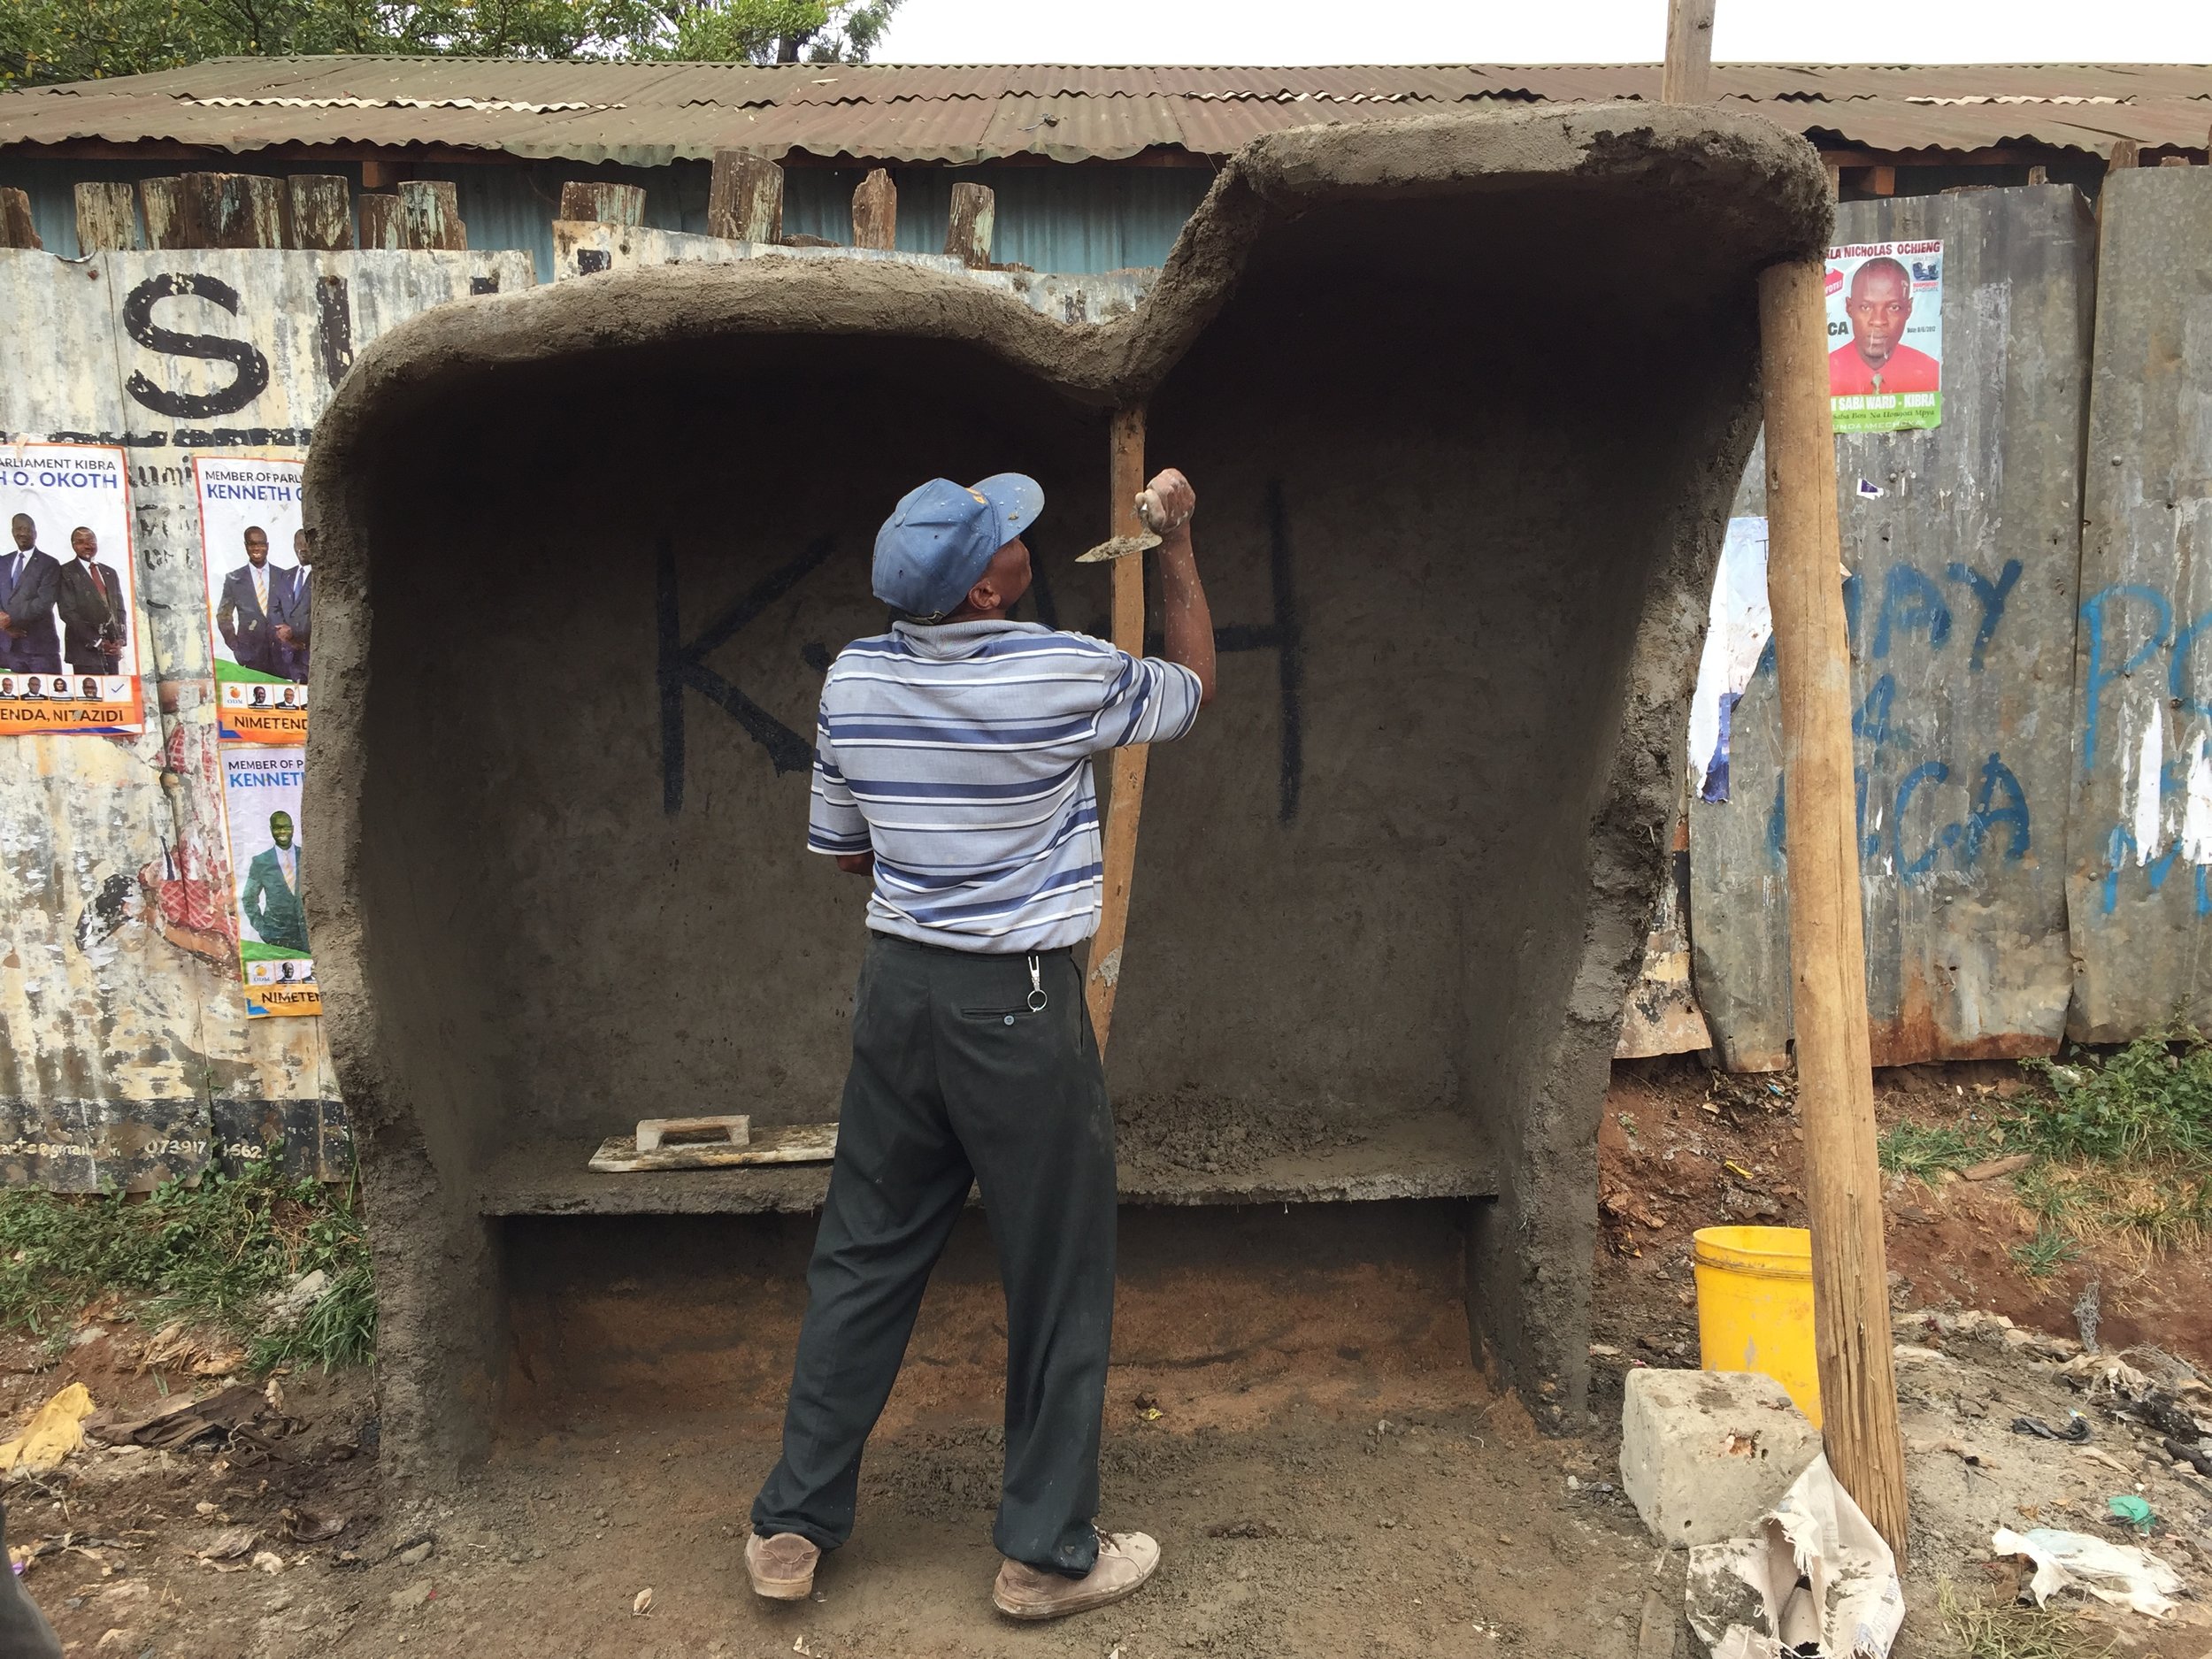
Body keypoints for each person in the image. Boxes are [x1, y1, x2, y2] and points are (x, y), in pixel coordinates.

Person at [745, 469, 1215, 1623]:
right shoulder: (1056, 669)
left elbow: (846, 851)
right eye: (1009, 541)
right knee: (1056, 1275)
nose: (1024, 545)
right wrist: (1182, 542)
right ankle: (1043, 1554)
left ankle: (790, 1524)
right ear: (983, 591)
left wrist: (934, 853)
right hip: (1020, 1004)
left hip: (900, 995)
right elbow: (1195, 682)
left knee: (863, 1253)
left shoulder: (854, 676)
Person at [1829, 256, 1940, 396]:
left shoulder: (1930, 371)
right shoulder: (1823, 373)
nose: (1878, 321)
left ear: (1909, 309)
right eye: (1865, 307)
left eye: (1893, 307)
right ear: (1849, 307)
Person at [216, 526, 292, 675]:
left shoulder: (284, 576)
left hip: (283, 658)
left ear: (267, 546)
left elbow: (294, 613)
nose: (257, 548)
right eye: (252, 544)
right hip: (251, 658)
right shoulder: (234, 579)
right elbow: (223, 616)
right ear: (246, 546)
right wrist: (237, 647)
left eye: (261, 544)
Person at [55, 527, 126, 675]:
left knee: (114, 694)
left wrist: (120, 641)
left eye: (91, 541)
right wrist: (98, 642)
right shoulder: (65, 572)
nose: (87, 545)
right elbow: (68, 613)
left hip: (112, 650)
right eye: (81, 542)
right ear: (74, 545)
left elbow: (120, 610)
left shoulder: (109, 572)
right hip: (85, 652)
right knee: (89, 696)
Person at [0, 513, 63, 675]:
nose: (23, 533)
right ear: (13, 532)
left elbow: (44, 603)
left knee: (47, 698)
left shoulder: (49, 564)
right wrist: (4, 626)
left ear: (35, 533)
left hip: (40, 650)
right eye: (19, 529)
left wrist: (9, 620)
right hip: (8, 649)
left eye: (28, 529)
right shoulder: (2, 562)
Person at [239, 810, 308, 953]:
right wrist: (263, 929)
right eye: (277, 828)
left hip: (307, 937)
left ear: (293, 829)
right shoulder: (261, 862)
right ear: (271, 830)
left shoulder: (306, 856)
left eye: (286, 827)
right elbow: (248, 898)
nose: (282, 831)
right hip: (276, 939)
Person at [271, 529, 311, 682]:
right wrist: (283, 633)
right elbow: (274, 608)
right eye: (298, 544)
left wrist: (295, 633)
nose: (302, 548)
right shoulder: (285, 576)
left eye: (306, 544)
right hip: (289, 653)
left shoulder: (320, 577)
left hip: (309, 650)